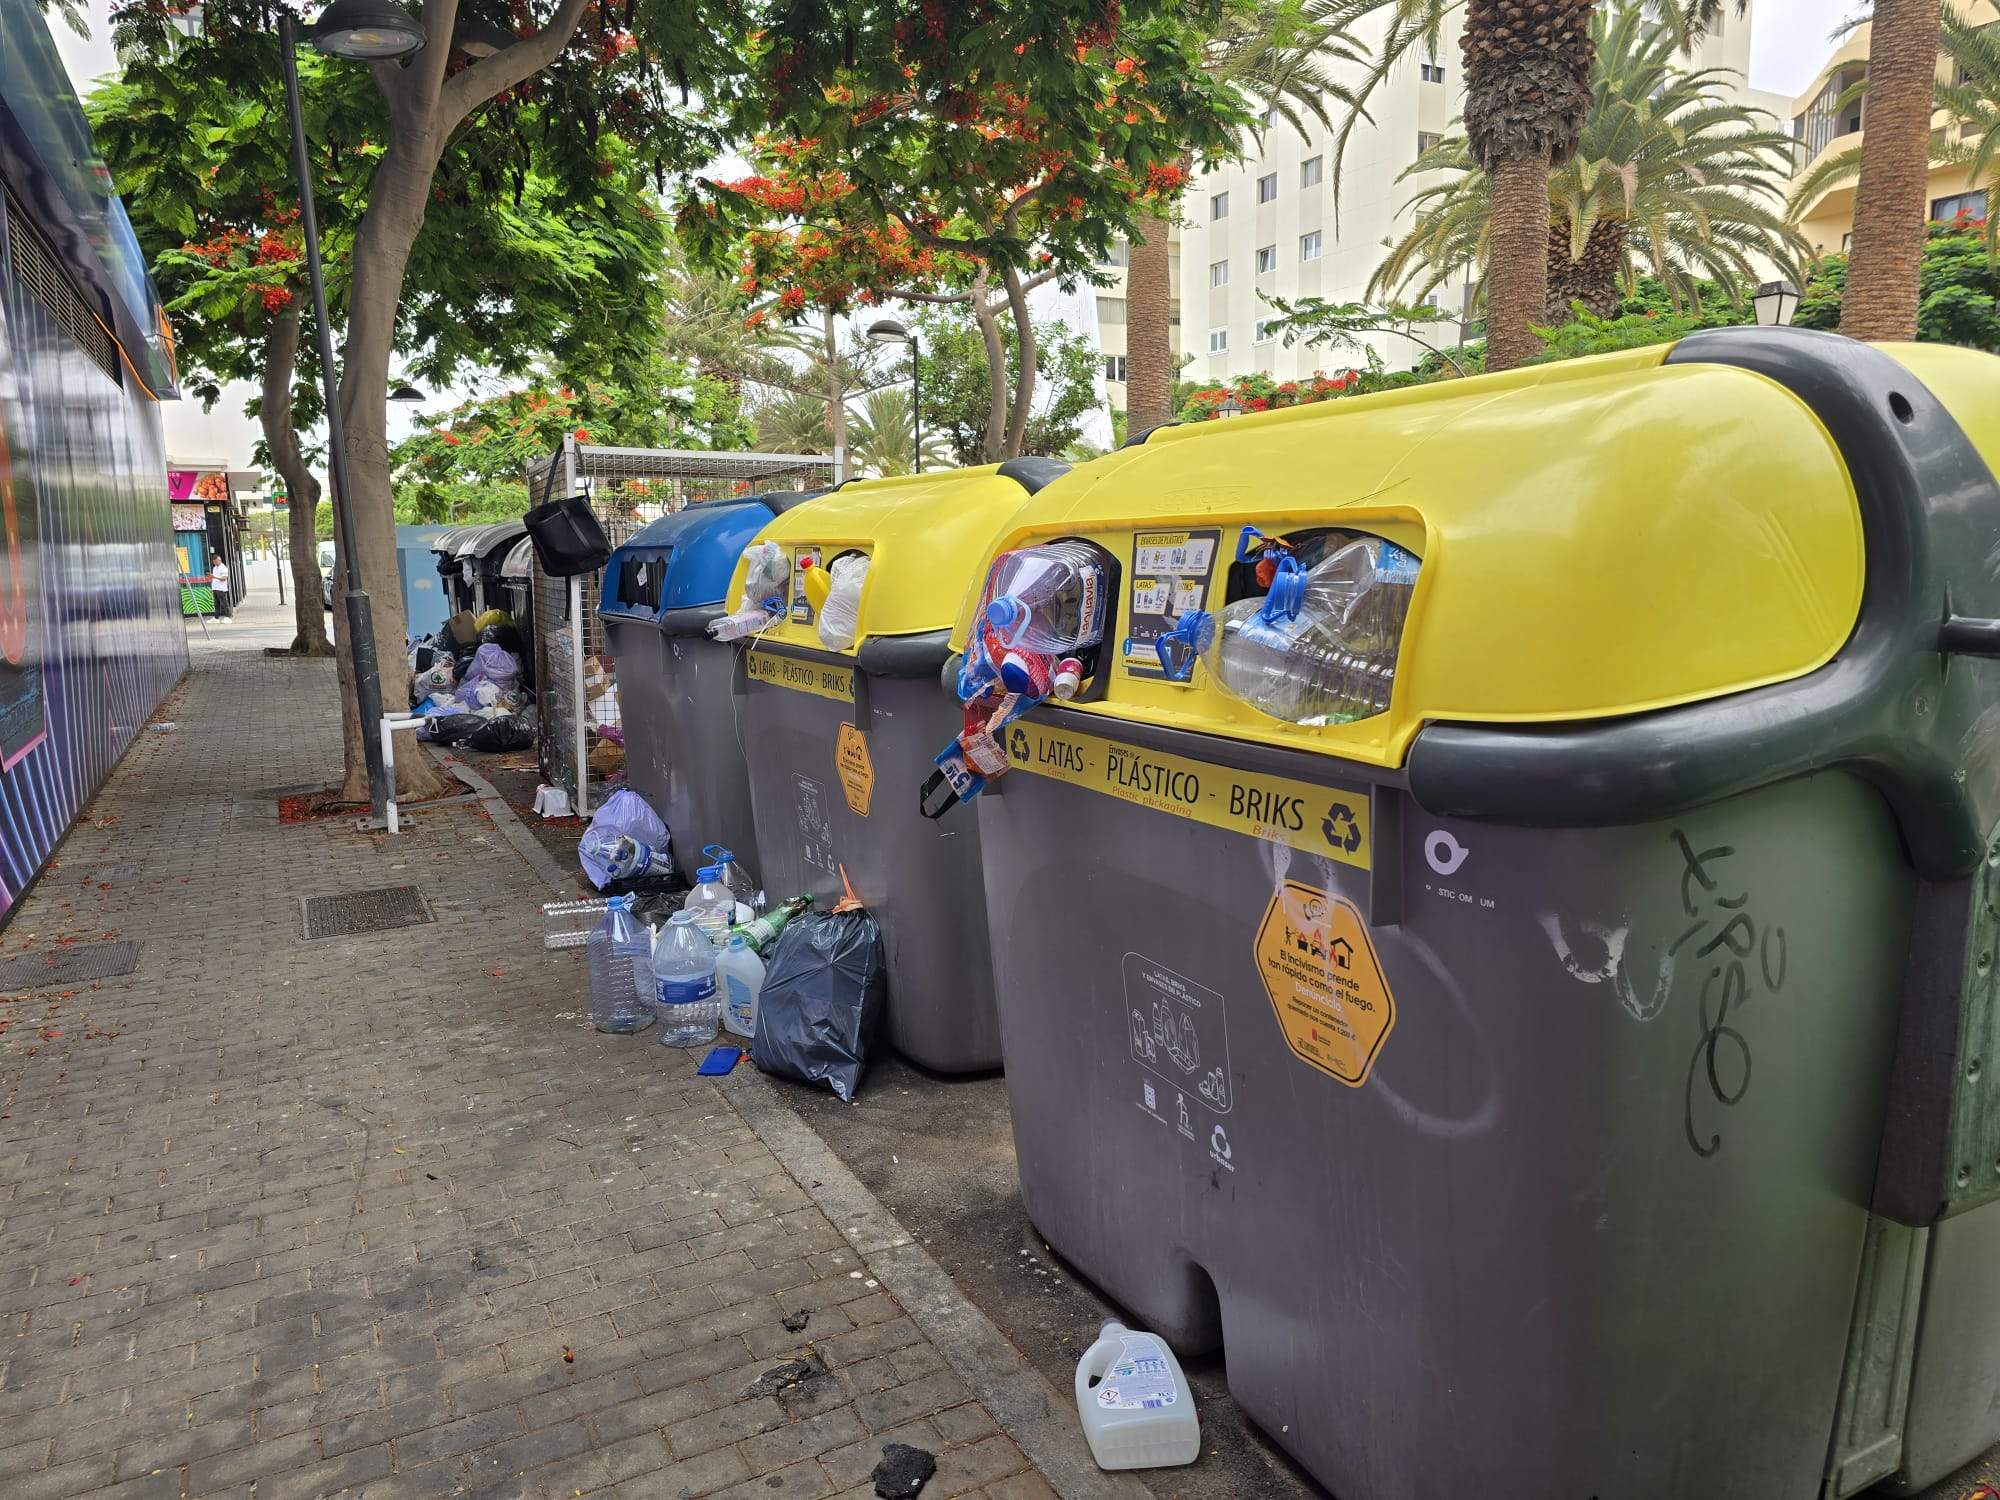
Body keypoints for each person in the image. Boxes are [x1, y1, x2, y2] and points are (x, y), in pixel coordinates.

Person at [209, 554, 232, 620]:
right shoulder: (214, 568)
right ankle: (216, 617)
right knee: (216, 603)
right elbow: (214, 579)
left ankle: (228, 616)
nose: (215, 563)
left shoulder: (223, 568)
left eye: (216, 562)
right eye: (214, 562)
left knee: (224, 603)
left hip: (221, 589)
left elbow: (224, 578)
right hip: (215, 588)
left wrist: (214, 577)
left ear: (219, 560)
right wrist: (212, 587)